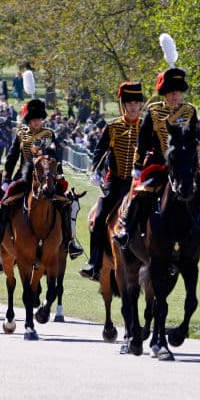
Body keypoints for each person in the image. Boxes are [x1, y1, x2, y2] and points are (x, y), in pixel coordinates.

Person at [114, 62, 200, 257]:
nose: (174, 96)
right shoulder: (153, 111)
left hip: (183, 165)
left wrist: (197, 153)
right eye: (170, 92)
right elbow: (142, 141)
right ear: (164, 93)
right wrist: (137, 166)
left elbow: (195, 137)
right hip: (158, 164)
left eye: (177, 92)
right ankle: (126, 230)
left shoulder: (190, 111)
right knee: (139, 191)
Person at [0, 100, 83, 259]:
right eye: (33, 119)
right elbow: (12, 156)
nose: (36, 122)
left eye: (39, 119)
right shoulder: (21, 133)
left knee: (66, 204)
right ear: (28, 120)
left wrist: (60, 174)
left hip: (47, 177)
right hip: (24, 176)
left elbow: (56, 157)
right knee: (3, 203)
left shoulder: (50, 134)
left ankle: (70, 242)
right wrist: (7, 178)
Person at [79, 82, 144, 281]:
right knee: (99, 219)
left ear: (140, 105)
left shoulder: (146, 127)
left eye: (136, 103)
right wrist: (94, 171)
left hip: (138, 182)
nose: (132, 107)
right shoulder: (113, 127)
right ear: (123, 106)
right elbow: (100, 151)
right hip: (115, 182)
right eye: (128, 103)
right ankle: (95, 263)